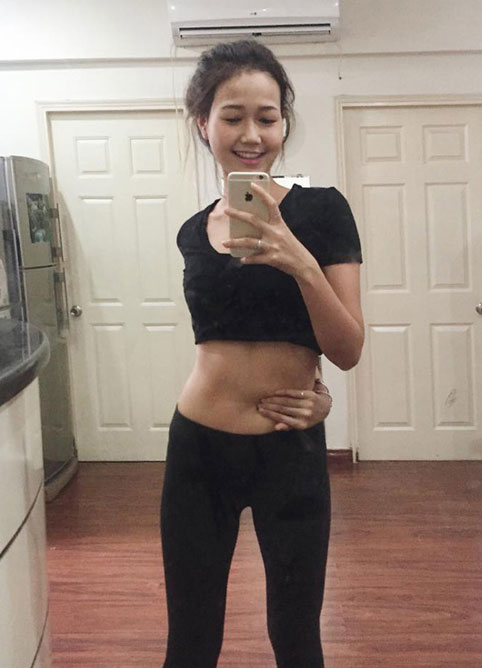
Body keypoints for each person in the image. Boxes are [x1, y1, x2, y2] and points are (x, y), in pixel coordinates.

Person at [160, 39, 364, 668]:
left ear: (283, 123)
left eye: (267, 117)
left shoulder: (323, 210)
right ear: (204, 123)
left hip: (289, 451)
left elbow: (348, 348)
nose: (252, 134)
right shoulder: (193, 231)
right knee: (191, 642)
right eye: (233, 116)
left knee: (297, 639)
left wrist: (300, 262)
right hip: (198, 449)